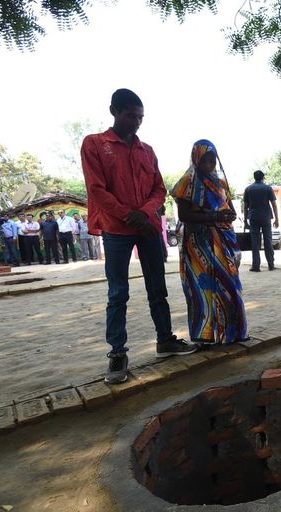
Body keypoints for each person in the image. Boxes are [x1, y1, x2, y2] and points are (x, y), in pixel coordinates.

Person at [81, 88, 197, 384]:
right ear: (114, 112)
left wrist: (145, 213)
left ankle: (165, 340)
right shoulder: (95, 145)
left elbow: (159, 189)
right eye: (131, 115)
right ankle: (117, 353)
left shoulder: (147, 150)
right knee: (118, 292)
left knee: (158, 287)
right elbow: (96, 190)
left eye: (140, 117)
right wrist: (128, 215)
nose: (136, 122)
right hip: (116, 231)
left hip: (146, 228)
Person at [171, 139, 248, 347]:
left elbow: (228, 207)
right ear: (196, 159)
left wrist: (229, 215)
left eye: (212, 161)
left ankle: (231, 333)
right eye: (204, 161)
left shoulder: (221, 183)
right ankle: (205, 336)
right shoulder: (187, 183)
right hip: (199, 244)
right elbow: (184, 215)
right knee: (202, 289)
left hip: (223, 240)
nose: (208, 165)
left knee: (228, 285)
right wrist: (213, 216)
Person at [243, 170, 279, 272]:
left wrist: (245, 221)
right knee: (268, 240)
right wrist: (276, 219)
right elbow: (274, 205)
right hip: (266, 217)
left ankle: (256, 266)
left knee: (255, 242)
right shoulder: (267, 188)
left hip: (253, 217)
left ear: (254, 177)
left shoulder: (248, 189)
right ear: (263, 177)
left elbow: (245, 207)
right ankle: (271, 265)